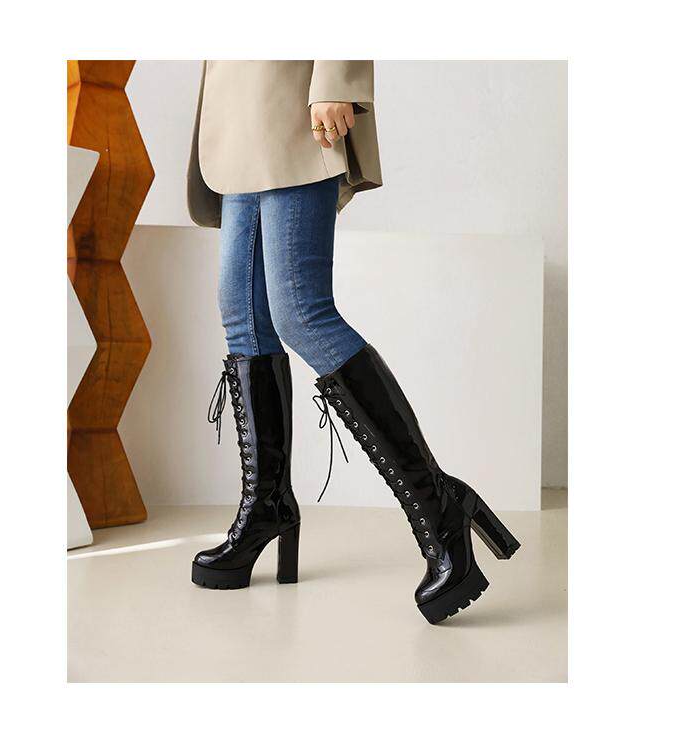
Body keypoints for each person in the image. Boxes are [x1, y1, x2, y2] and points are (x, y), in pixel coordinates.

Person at [186, 60, 519, 623]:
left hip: (290, 96)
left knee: (301, 313)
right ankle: (266, 506)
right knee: (243, 318)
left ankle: (438, 507)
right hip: (235, 108)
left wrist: (336, 80)